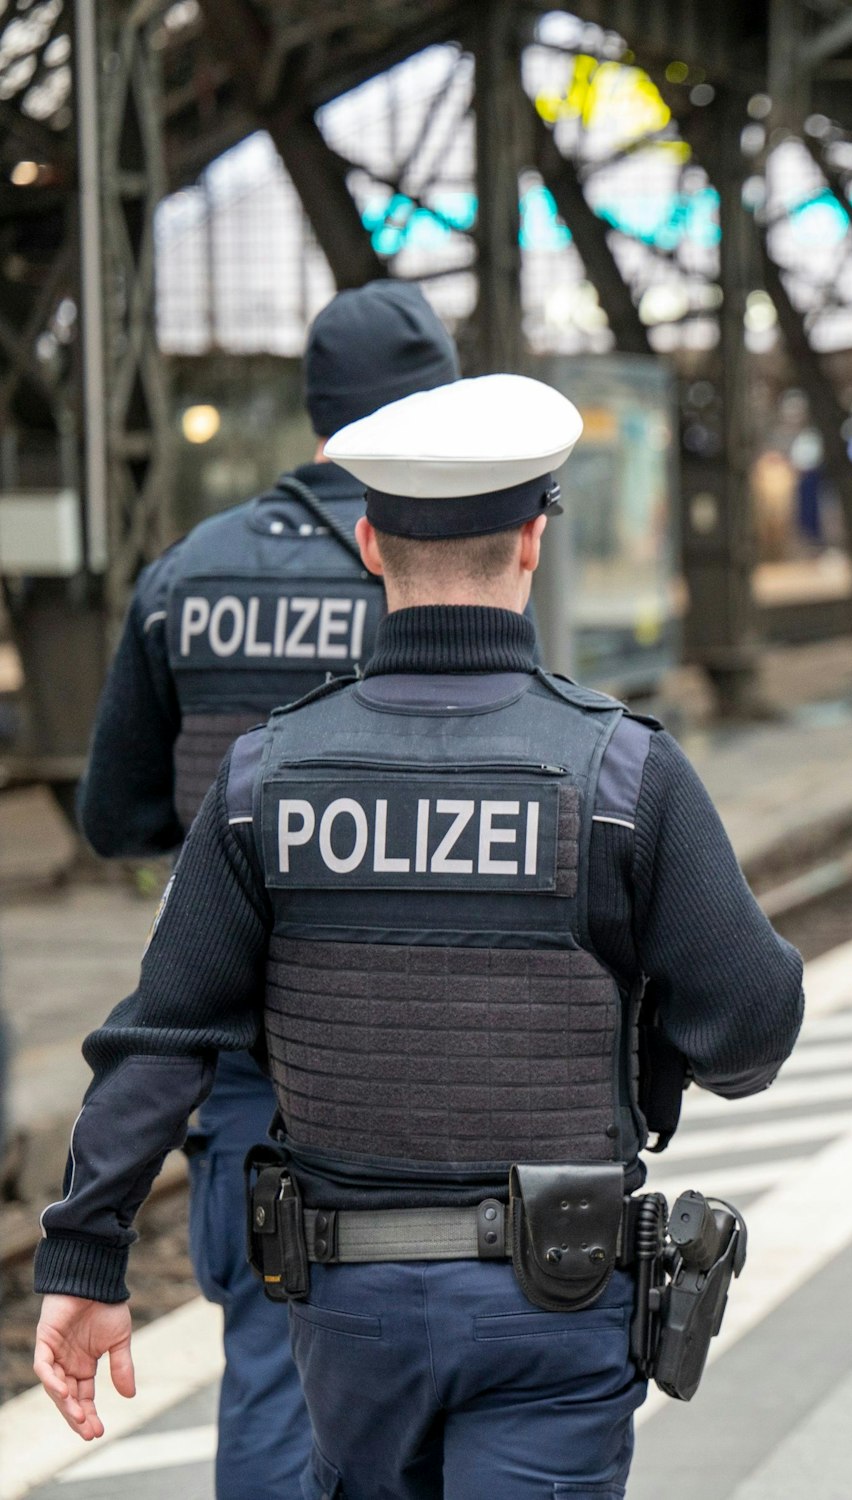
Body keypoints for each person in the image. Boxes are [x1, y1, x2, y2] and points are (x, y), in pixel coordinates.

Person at [33, 373, 805, 1498]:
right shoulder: (624, 775)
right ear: (533, 541)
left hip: (352, 1317)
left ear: (369, 546)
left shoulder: (266, 778)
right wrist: (643, 1053)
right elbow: (752, 1025)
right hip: (558, 1294)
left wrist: (87, 1250)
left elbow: (162, 1034)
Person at [69, 278, 458, 1499]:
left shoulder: (190, 573)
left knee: (271, 1371)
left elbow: (115, 814)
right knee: (437, 1375)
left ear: (316, 411)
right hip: (417, 1061)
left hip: (239, 1057)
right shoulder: (449, 569)